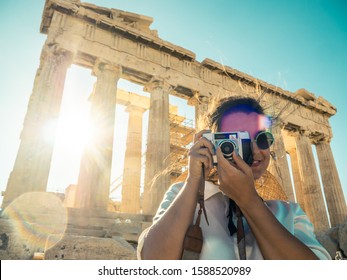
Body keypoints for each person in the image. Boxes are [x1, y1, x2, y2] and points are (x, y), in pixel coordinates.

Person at [137, 96, 331, 260]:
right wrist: (192, 181)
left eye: (262, 139)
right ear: (214, 144)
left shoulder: (290, 212)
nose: (255, 151)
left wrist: (249, 201)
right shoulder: (182, 195)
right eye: (240, 140)